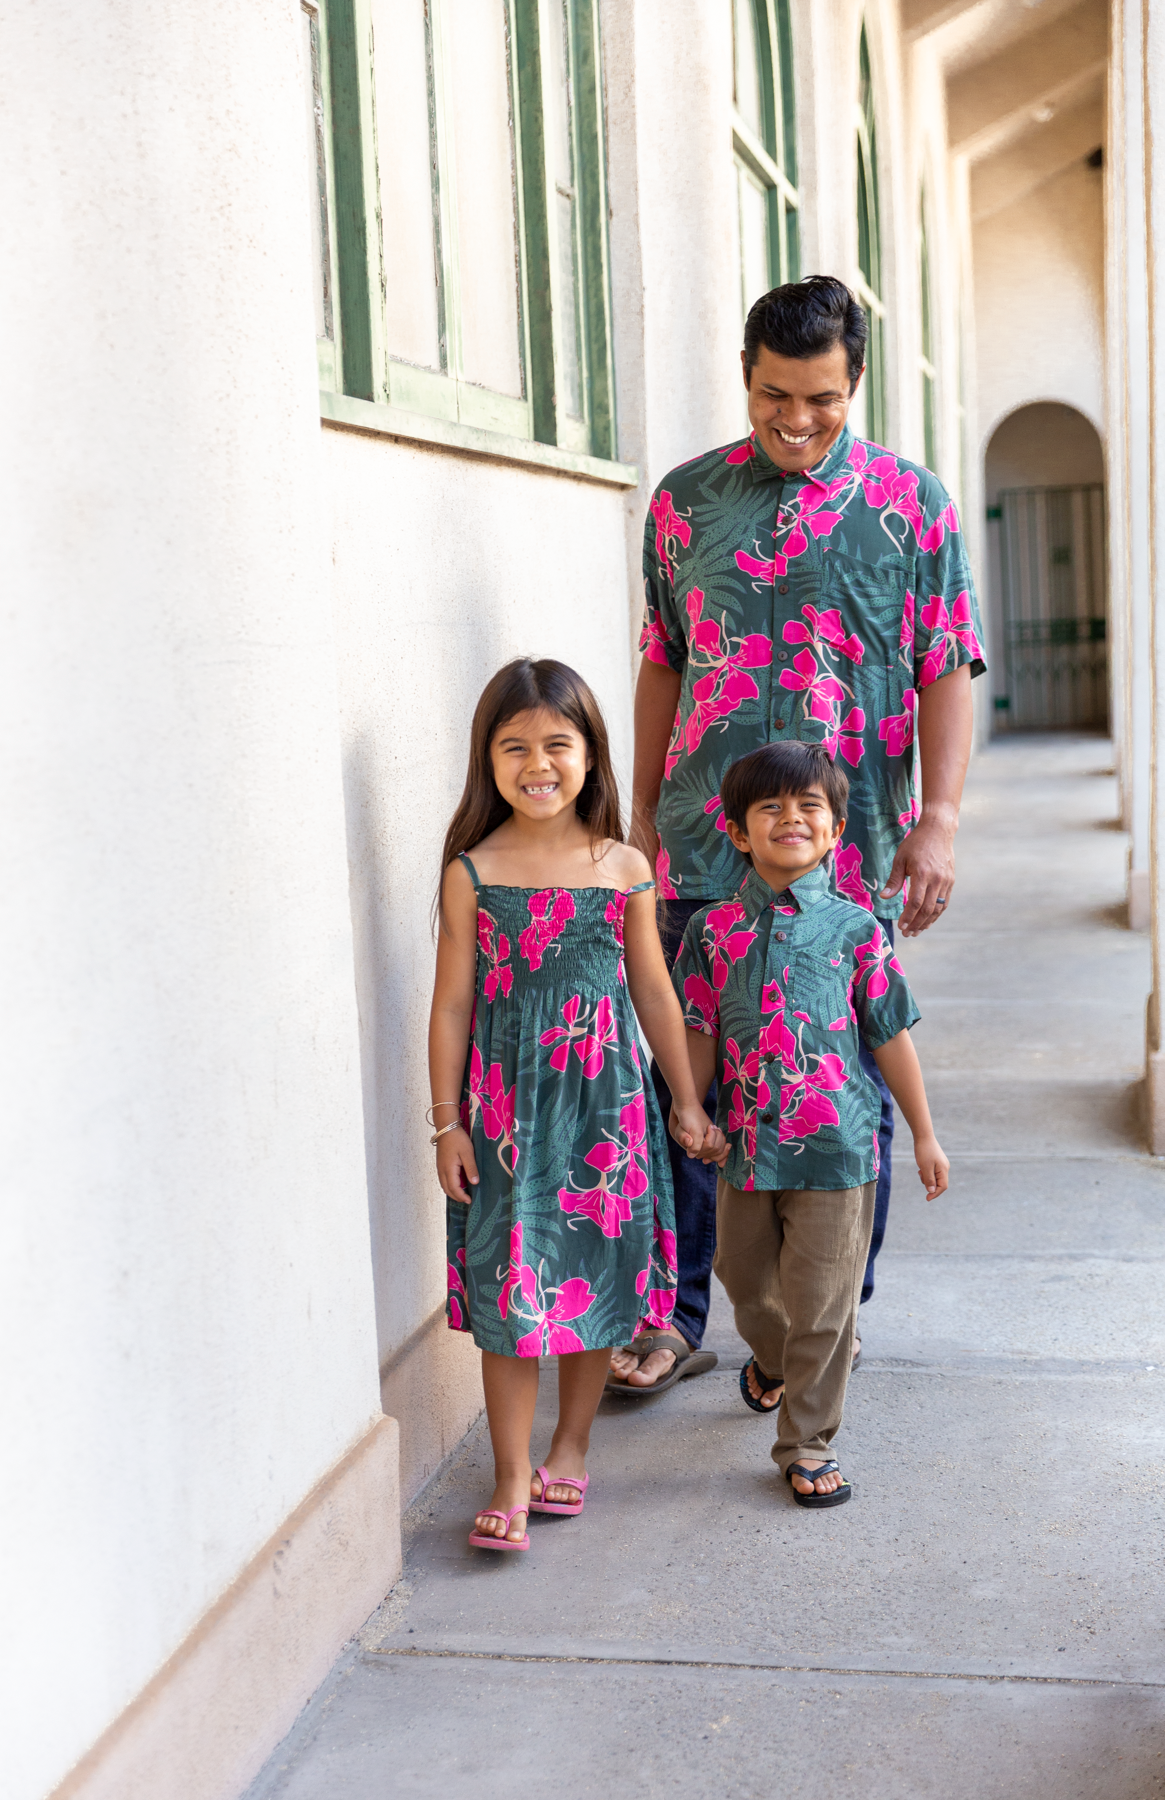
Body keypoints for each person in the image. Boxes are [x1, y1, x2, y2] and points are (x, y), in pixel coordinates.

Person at [610, 274, 982, 1397]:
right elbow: (662, 661)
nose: (796, 422)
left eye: (820, 400)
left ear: (853, 381)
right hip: (701, 854)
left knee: (838, 1084)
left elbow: (946, 667)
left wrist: (942, 819)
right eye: (775, 396)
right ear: (745, 376)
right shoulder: (683, 504)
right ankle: (675, 1318)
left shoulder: (913, 508)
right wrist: (638, 813)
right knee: (689, 1075)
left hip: (847, 853)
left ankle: (821, 1324)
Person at [428, 657, 725, 1550]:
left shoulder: (624, 866)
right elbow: (450, 1004)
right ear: (488, 760)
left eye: (558, 743)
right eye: (513, 746)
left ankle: (572, 1446)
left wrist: (686, 1101)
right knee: (513, 1295)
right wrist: (446, 1121)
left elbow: (657, 995)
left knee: (594, 1284)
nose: (537, 763)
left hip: (607, 1109)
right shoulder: (472, 872)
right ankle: (512, 1473)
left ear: (591, 755)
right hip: (506, 1116)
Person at [670, 742, 948, 1504]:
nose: (790, 819)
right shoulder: (712, 933)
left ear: (833, 833)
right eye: (770, 808)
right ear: (737, 831)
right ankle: (772, 1360)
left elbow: (891, 1034)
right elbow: (697, 1026)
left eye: (809, 809)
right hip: (746, 1148)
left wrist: (923, 1133)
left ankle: (807, 1443)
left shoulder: (859, 931)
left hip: (839, 1150)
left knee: (825, 1308)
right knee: (746, 1282)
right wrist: (688, 1108)